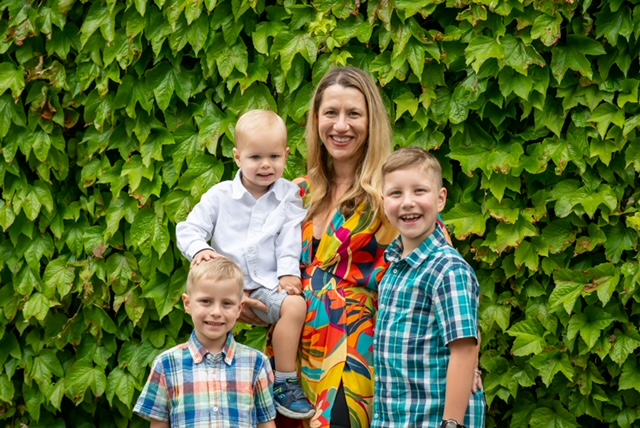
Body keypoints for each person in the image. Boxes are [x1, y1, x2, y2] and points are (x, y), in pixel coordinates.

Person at [175, 110, 314, 419]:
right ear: (237, 157)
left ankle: (284, 382)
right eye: (255, 157)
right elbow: (189, 229)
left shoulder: (288, 195)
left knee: (294, 306)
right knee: (213, 326)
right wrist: (199, 250)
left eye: (274, 156)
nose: (265, 165)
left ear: (286, 155)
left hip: (265, 287)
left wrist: (288, 273)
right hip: (226, 289)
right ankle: (210, 385)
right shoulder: (220, 196)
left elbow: (289, 236)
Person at [372, 147, 486, 428]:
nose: (408, 202)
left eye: (419, 191)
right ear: (384, 202)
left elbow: (464, 350)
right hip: (397, 418)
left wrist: (452, 423)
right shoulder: (394, 269)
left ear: (441, 199)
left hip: (434, 420)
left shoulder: (448, 269)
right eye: (396, 194)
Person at [133, 258, 276, 427]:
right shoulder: (166, 364)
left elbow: (266, 423)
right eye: (206, 301)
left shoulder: (257, 363)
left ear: (239, 308)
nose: (216, 312)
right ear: (187, 304)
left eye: (227, 303)